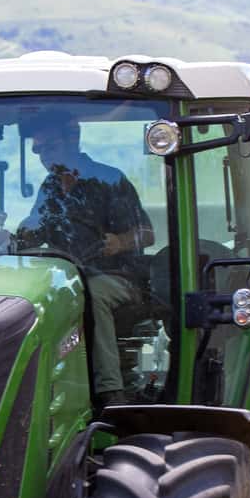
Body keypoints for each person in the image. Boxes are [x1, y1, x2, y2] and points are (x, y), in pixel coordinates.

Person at [14, 112, 154, 404]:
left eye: (49, 148)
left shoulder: (108, 179)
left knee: (89, 294)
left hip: (119, 278)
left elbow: (147, 233)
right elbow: (35, 228)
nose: (42, 156)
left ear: (72, 140)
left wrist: (120, 242)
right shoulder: (50, 188)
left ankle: (109, 392)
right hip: (68, 274)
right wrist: (9, 237)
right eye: (38, 150)